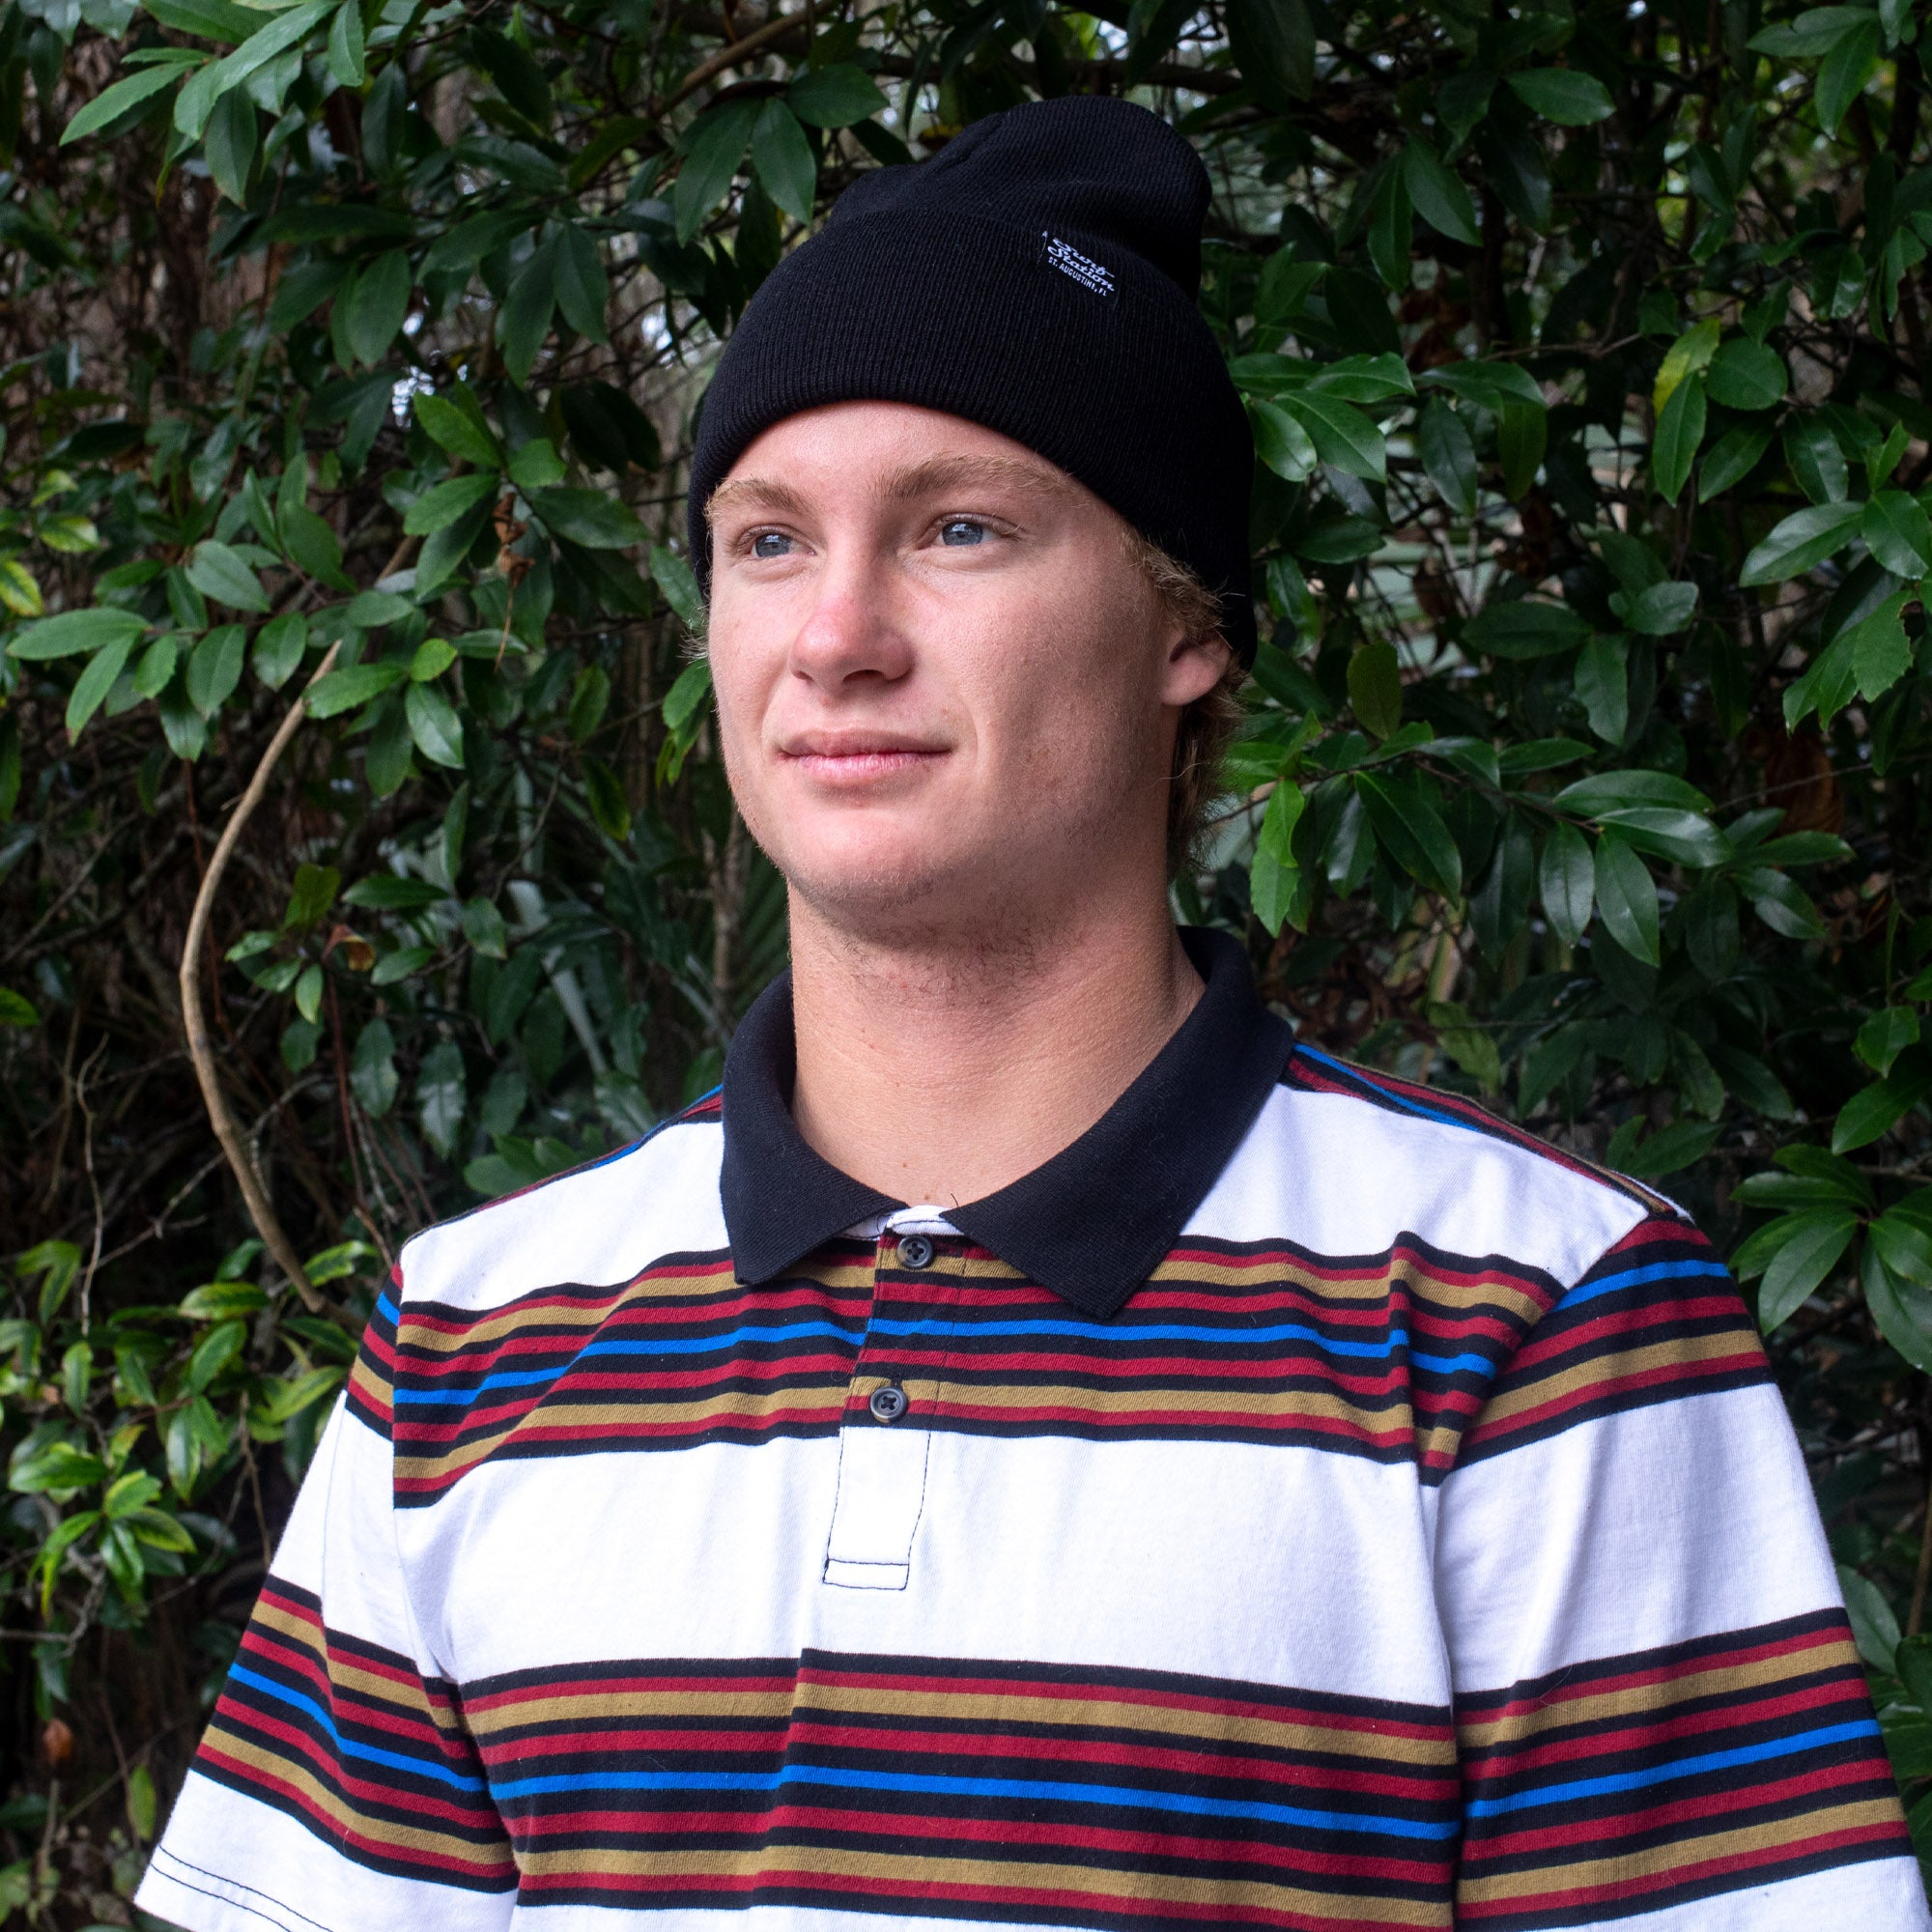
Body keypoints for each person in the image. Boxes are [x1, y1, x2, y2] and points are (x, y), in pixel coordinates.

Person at [139, 95, 1928, 1932]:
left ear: (1187, 625)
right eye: (768, 541)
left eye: (962, 528)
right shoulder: (471, 1342)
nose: (836, 635)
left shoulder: (1533, 1324)